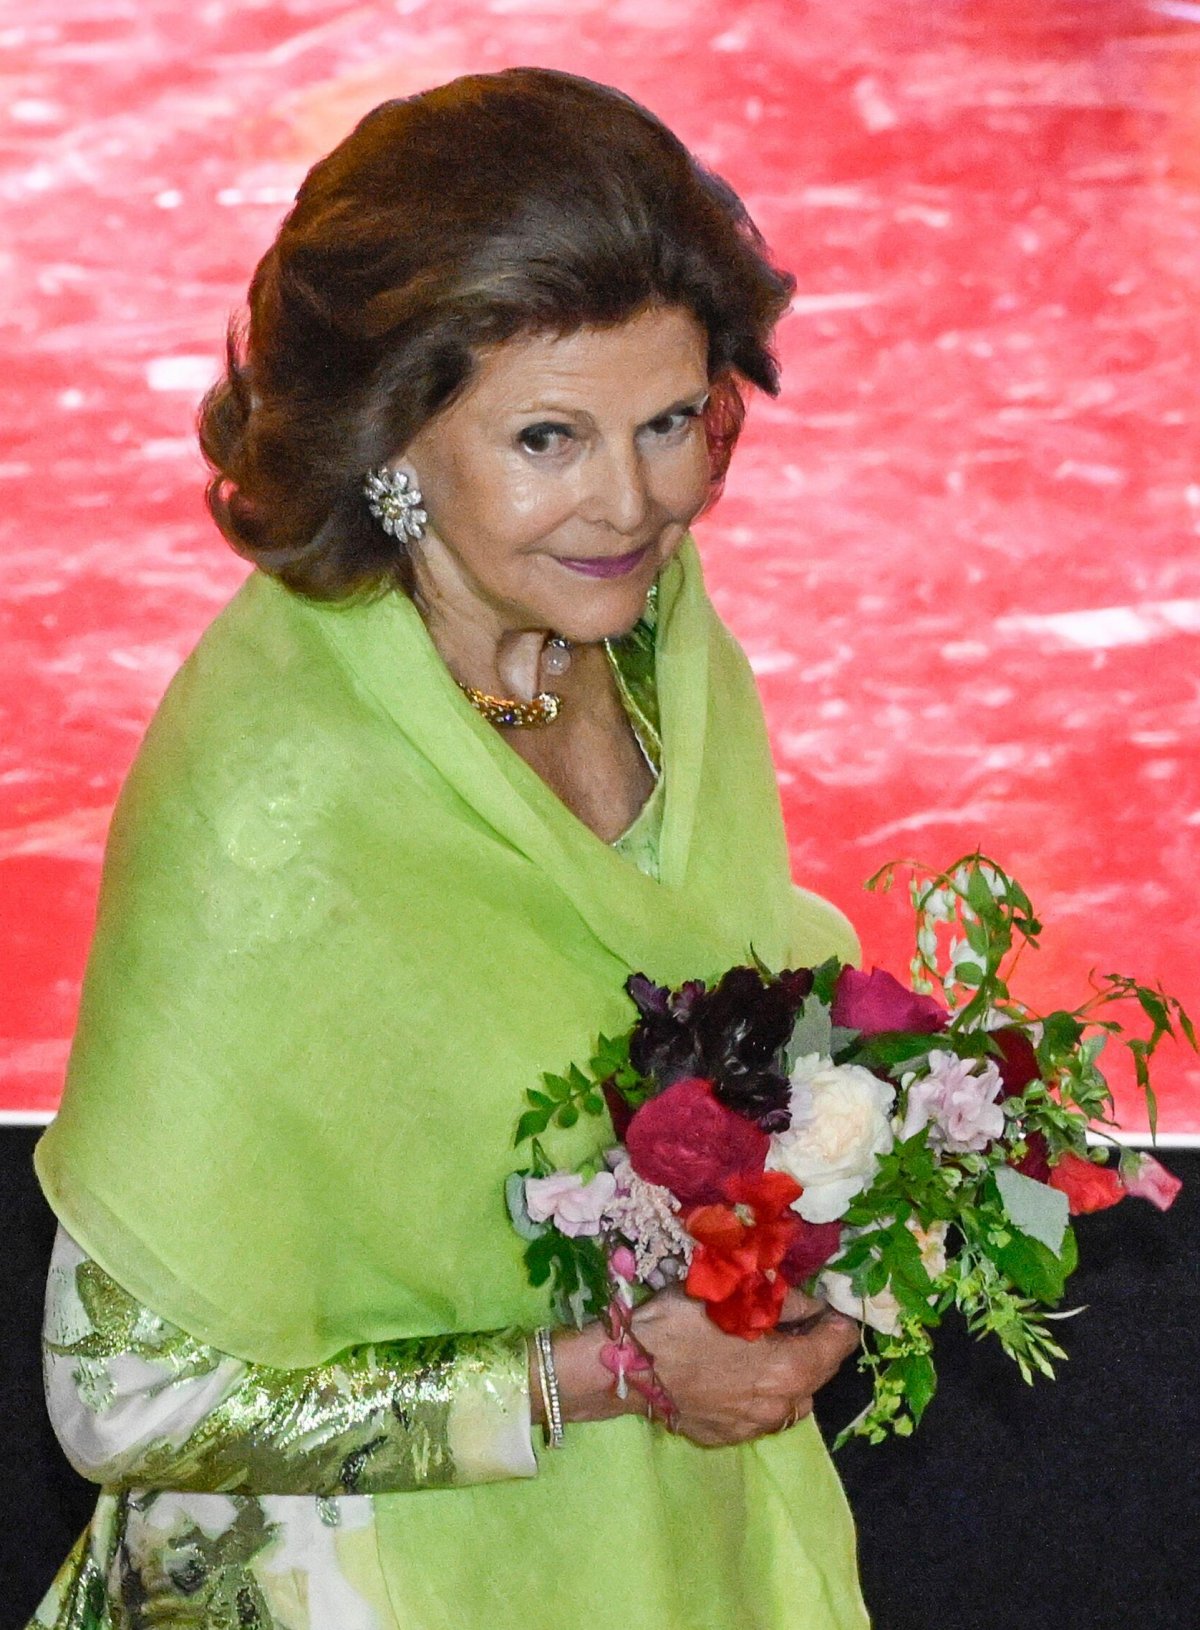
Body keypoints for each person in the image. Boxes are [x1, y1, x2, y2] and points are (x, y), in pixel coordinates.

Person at [28, 68, 870, 1630]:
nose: (633, 501)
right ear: (388, 436)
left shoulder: (644, 641)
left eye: (673, 420)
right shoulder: (283, 798)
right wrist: (615, 1371)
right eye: (547, 437)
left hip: (661, 1559)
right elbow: (124, 1399)